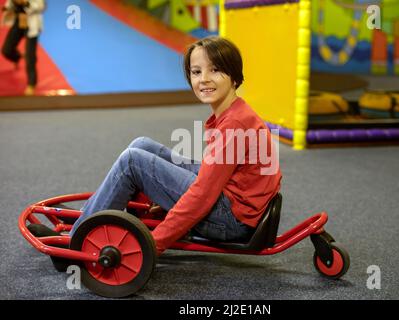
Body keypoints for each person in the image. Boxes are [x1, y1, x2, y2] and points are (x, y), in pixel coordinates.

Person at [67, 36, 282, 256]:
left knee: (133, 161)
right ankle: (90, 215)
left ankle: (77, 238)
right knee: (142, 144)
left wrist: (154, 242)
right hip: (236, 203)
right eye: (196, 72)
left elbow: (203, 195)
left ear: (234, 76)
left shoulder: (235, 123)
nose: (204, 79)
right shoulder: (236, 113)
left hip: (230, 220)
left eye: (215, 70)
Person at [1, 0, 45, 96]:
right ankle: (17, 57)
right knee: (6, 50)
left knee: (30, 56)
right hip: (19, 21)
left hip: (31, 23)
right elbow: (10, 4)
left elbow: (41, 6)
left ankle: (31, 84)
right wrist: (7, 9)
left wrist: (25, 3)